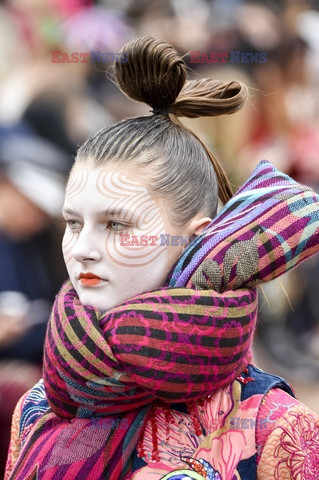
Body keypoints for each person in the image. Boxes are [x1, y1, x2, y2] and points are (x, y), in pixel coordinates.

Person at [5, 36, 319, 480]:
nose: (81, 247)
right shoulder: (39, 406)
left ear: (194, 239)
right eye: (73, 223)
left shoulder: (273, 427)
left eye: (117, 224)